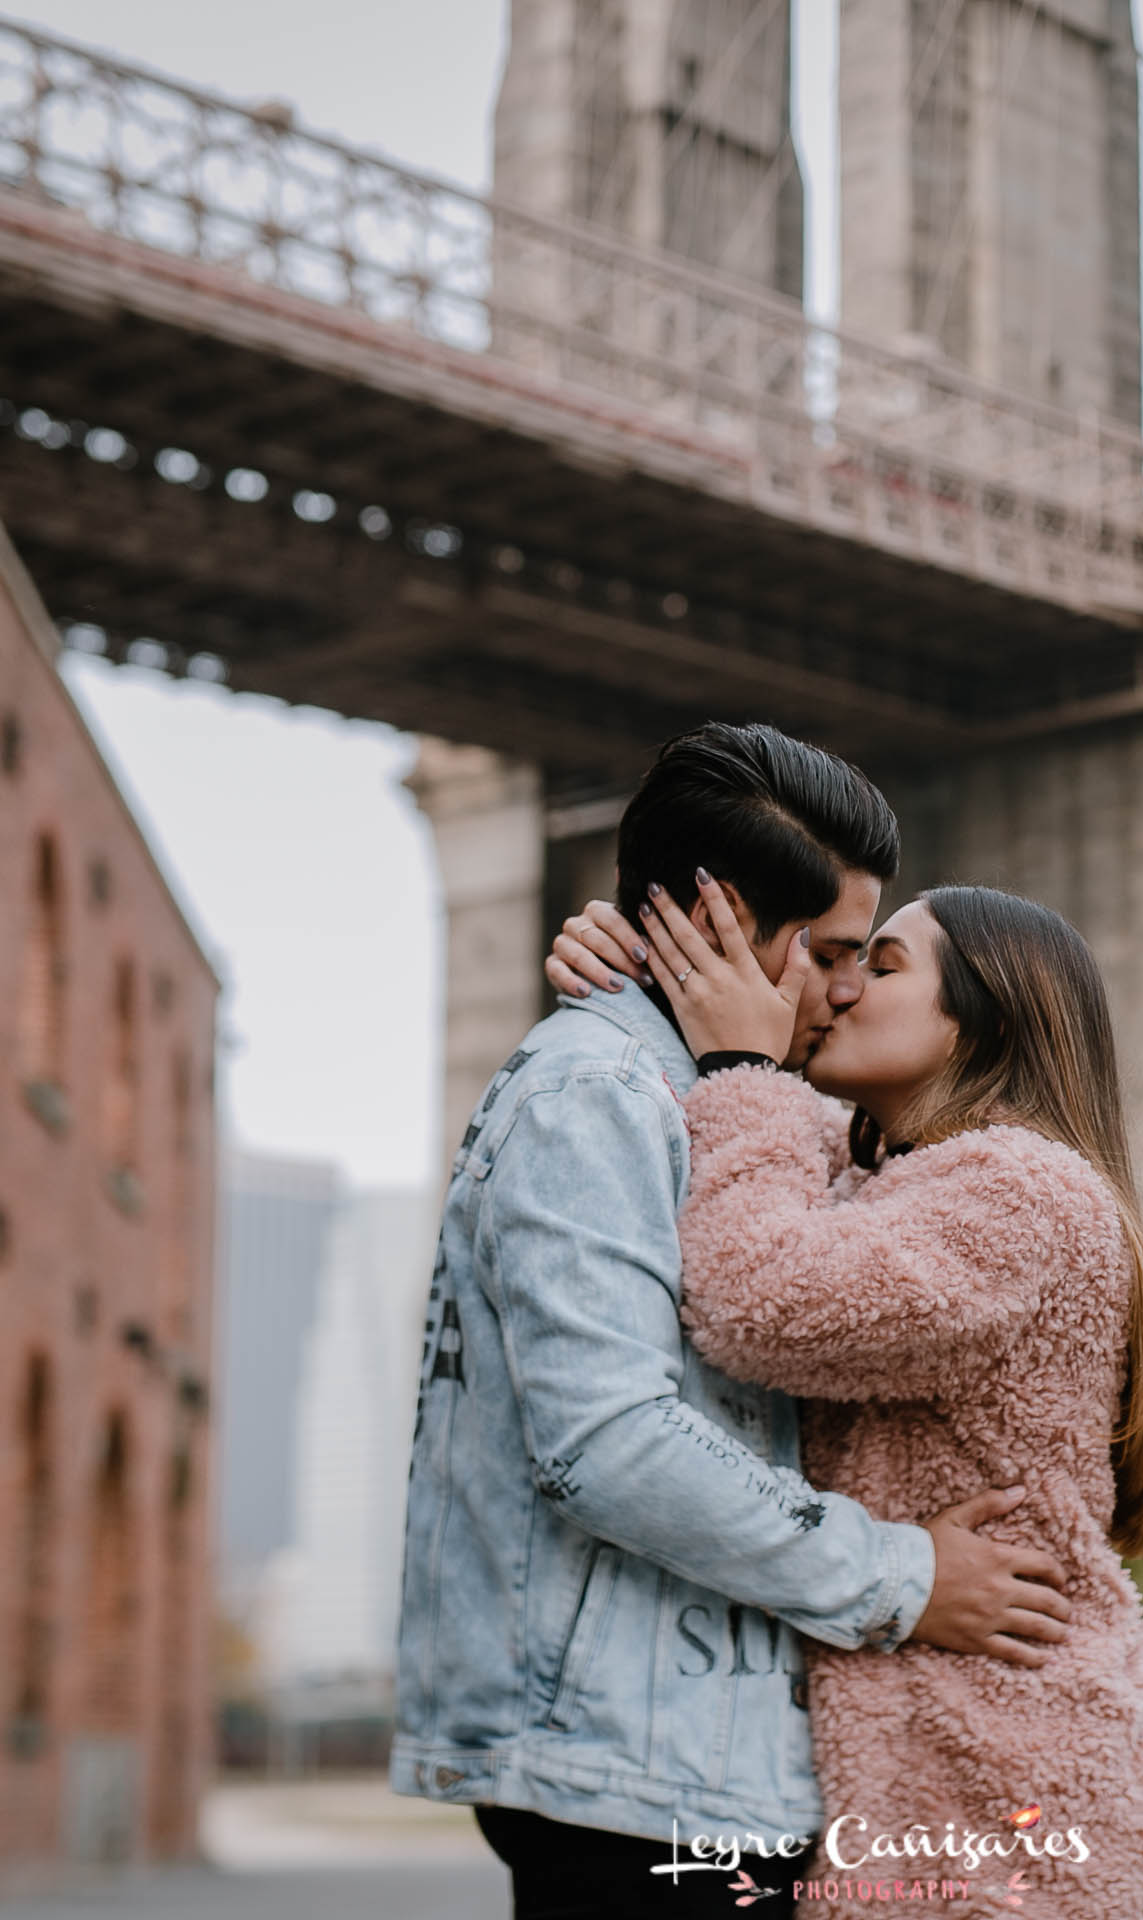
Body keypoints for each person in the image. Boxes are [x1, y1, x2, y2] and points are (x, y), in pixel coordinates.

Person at [395, 725, 1078, 1920]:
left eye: (870, 958)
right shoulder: (596, 1098)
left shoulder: (717, 1097)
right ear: (714, 924)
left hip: (692, 1759)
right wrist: (906, 1575)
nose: (850, 989)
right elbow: (607, 1442)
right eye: (827, 953)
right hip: (626, 1773)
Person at [599, 877, 1143, 1917]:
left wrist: (745, 1068)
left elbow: (760, 1299)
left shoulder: (1024, 1194)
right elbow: (785, 1190)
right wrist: (629, 963)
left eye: (881, 965)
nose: (836, 988)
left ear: (988, 1017)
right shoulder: (898, 1191)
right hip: (979, 1776)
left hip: (1017, 1794)